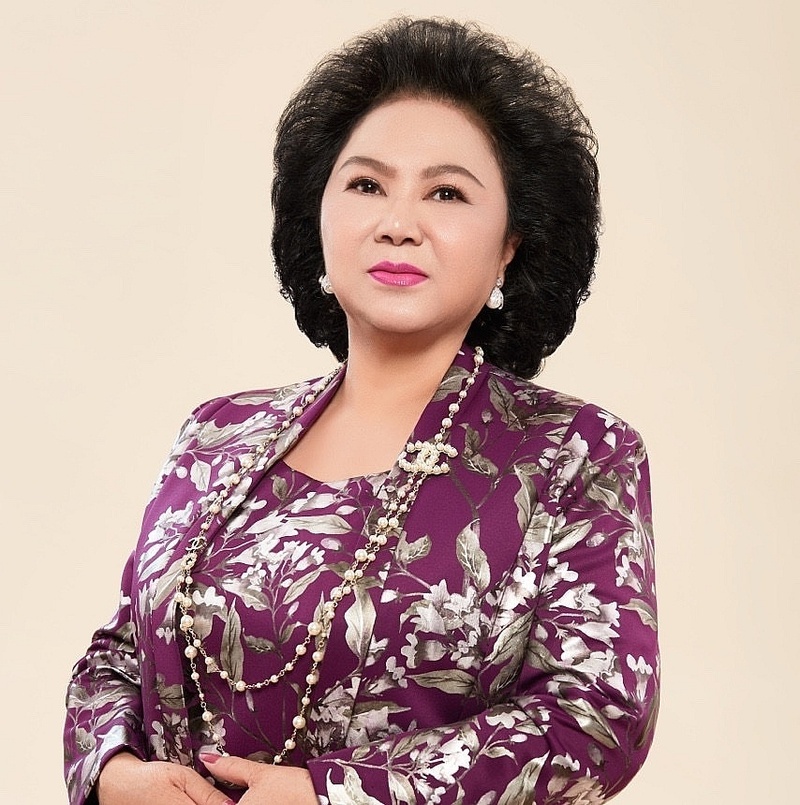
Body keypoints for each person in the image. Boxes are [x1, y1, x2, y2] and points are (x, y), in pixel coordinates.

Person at [64, 16, 659, 805]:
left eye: (446, 192)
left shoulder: (574, 454)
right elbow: (118, 655)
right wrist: (116, 773)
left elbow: (594, 718)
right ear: (319, 212)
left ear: (511, 243)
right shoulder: (217, 433)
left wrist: (330, 794)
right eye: (367, 185)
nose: (397, 224)